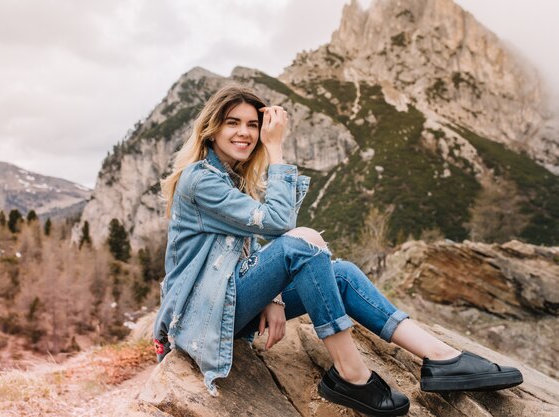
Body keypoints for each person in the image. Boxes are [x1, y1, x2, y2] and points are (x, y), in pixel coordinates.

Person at [153, 84, 523, 416]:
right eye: (233, 122)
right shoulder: (199, 179)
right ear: (212, 128)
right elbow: (280, 224)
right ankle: (351, 374)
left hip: (227, 301)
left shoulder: (229, 176)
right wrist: (276, 147)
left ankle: (442, 358)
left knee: (340, 273)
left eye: (253, 125)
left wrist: (275, 296)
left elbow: (248, 249)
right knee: (303, 242)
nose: (245, 133)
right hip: (201, 315)